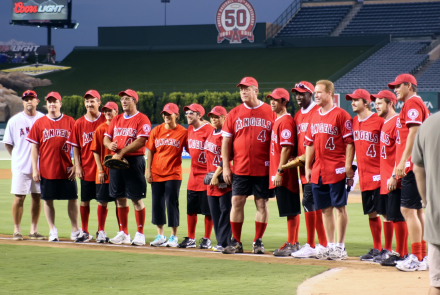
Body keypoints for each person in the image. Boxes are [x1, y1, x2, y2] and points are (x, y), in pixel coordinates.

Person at [221, 77, 276, 254]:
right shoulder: (234, 113)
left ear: (256, 91)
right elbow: (226, 141)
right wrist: (226, 166)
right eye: (241, 89)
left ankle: (258, 241)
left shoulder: (270, 111)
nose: (243, 92)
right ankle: (236, 241)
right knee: (237, 201)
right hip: (240, 167)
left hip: (263, 168)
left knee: (262, 203)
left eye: (246, 89)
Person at [304, 80, 354, 260]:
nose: (316, 95)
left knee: (340, 207)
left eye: (319, 92)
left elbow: (349, 143)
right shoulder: (314, 115)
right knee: (325, 209)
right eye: (315, 92)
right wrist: (308, 166)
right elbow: (309, 143)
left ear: (330, 94)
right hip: (319, 169)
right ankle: (330, 245)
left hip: (337, 168)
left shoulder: (341, 115)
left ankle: (340, 247)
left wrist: (348, 166)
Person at [388, 74, 430, 271]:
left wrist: (403, 162)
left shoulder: (412, 103)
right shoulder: (414, 103)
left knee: (407, 210)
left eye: (398, 86)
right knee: (417, 210)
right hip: (418, 164)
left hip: (413, 165)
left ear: (409, 86)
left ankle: (416, 257)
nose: (395, 89)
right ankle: (422, 256)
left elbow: (414, 132)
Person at [26, 92, 80, 242]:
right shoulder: (39, 123)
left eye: (55, 102)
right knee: (47, 200)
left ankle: (75, 230)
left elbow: (77, 146)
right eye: (49, 102)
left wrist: (76, 165)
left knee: (73, 198)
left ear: (60, 104)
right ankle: (52, 230)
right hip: (47, 169)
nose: (52, 104)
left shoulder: (70, 121)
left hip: (67, 169)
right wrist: (35, 169)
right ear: (46, 104)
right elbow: (34, 147)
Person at [103, 89, 151, 246]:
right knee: (119, 198)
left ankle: (140, 233)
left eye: (127, 99)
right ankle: (124, 233)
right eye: (122, 99)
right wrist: (110, 144)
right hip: (117, 162)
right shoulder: (116, 119)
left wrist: (122, 151)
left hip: (133, 161)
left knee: (136, 198)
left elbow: (141, 140)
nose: (123, 101)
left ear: (135, 101)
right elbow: (106, 138)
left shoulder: (142, 119)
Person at [346, 89, 388, 261]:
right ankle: (377, 249)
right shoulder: (354, 121)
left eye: (356, 100)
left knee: (385, 213)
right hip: (363, 175)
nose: (353, 103)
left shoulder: (379, 121)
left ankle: (388, 249)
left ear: (366, 102)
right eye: (351, 100)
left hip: (379, 174)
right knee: (371, 212)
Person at [291, 81, 328, 259]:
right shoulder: (297, 115)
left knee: (311, 203)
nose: (298, 96)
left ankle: (315, 244)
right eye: (296, 93)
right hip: (303, 168)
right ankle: (320, 244)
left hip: (316, 166)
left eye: (301, 93)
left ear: (310, 94)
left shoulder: (317, 112)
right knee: (311, 204)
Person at [373, 90, 409, 266]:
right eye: (375, 103)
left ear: (391, 104)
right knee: (389, 216)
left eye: (380, 103)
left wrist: (395, 175)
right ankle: (393, 251)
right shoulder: (384, 123)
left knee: (398, 216)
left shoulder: (397, 122)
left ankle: (402, 253)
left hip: (395, 177)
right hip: (385, 177)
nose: (376, 106)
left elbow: (400, 152)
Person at [4, 90, 45, 241]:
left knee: (37, 197)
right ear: (23, 102)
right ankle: (17, 230)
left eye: (31, 99)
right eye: (26, 99)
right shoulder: (14, 121)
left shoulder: (43, 118)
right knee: (19, 197)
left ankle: (34, 230)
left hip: (40, 166)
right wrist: (17, 157)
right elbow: (8, 144)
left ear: (37, 101)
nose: (29, 101)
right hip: (21, 166)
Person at [146, 103, 188, 247]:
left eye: (169, 114)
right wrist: (148, 170)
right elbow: (150, 151)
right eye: (164, 114)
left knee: (172, 202)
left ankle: (173, 236)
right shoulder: (156, 130)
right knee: (157, 203)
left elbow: (192, 148)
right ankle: (160, 235)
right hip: (157, 172)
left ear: (176, 115)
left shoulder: (183, 132)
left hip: (173, 174)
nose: (166, 116)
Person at [67, 90, 106, 242]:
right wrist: (77, 165)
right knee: (85, 200)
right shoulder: (79, 123)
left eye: (93, 101)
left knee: (102, 200)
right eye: (87, 101)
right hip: (87, 167)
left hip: (103, 168)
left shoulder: (106, 119)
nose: (89, 104)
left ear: (99, 102)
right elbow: (75, 146)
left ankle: (101, 231)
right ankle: (84, 231)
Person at [266, 88, 301, 257]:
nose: (272, 102)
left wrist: (280, 171)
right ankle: (293, 241)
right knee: (290, 209)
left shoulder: (286, 121)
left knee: (291, 209)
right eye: (271, 99)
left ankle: (292, 243)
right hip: (281, 172)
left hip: (285, 173)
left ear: (285, 103)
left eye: (276, 99)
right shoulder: (279, 120)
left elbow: (287, 148)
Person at [178, 104, 214, 249]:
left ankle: (207, 239)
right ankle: (191, 238)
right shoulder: (190, 129)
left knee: (207, 211)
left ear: (199, 115)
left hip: (207, 175)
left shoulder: (209, 130)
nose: (187, 115)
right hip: (193, 176)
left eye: (191, 113)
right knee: (191, 209)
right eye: (186, 113)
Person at [412, 111, 440, 292]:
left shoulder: (428, 124)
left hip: (436, 217)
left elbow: (417, 169)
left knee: (436, 284)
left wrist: (426, 202)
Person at [90, 101, 120, 243]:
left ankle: (122, 231)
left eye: (110, 110)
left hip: (119, 172)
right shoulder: (100, 128)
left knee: (120, 201)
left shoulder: (121, 128)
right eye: (106, 111)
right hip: (104, 172)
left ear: (116, 112)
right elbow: (95, 150)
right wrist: (100, 170)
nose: (107, 113)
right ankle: (100, 231)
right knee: (102, 202)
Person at [205, 106, 232, 252]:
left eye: (217, 117)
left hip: (222, 178)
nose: (214, 119)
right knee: (215, 212)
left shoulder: (225, 135)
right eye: (212, 117)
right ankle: (220, 241)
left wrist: (216, 175)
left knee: (225, 211)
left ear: (224, 117)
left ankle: (225, 242)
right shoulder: (211, 132)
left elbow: (226, 157)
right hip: (211, 178)